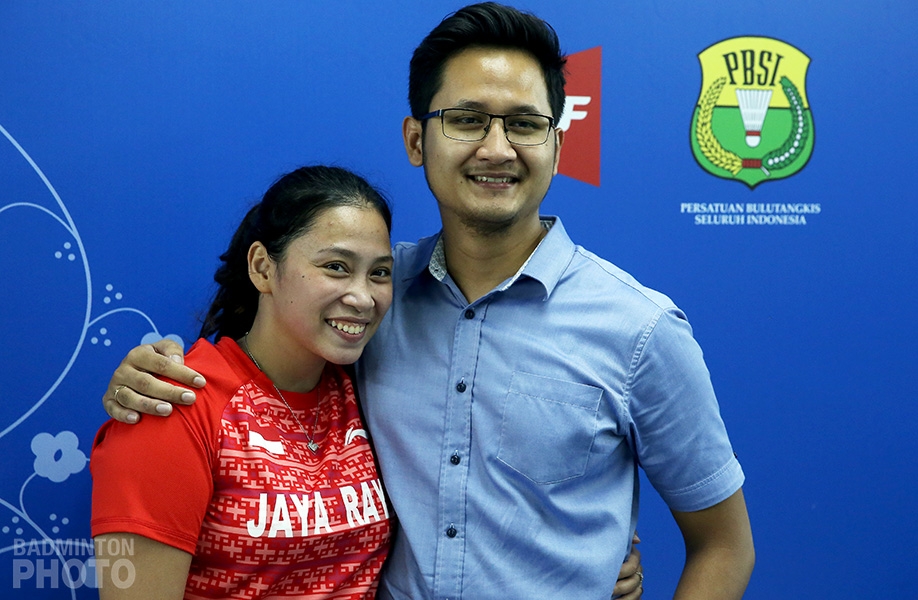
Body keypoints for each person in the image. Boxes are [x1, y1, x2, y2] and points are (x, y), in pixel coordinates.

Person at [103, 2, 755, 598]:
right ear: (417, 140)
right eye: (466, 120)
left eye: (525, 124)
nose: (496, 148)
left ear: (558, 146)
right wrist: (144, 379)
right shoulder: (371, 303)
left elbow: (725, 547)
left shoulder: (640, 329)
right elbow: (261, 375)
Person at [91, 165, 396, 599]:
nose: (364, 297)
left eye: (379, 273)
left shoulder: (369, 388)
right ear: (262, 267)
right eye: (336, 267)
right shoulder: (174, 405)